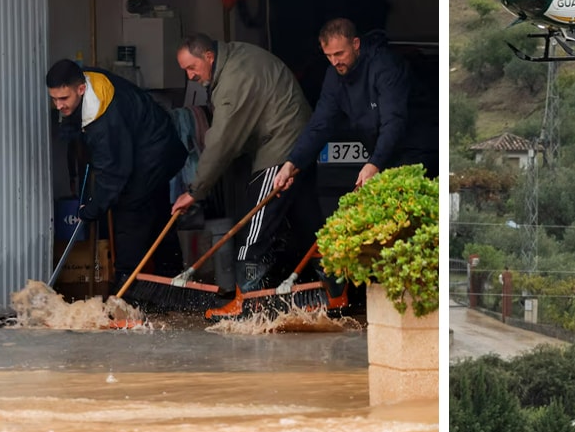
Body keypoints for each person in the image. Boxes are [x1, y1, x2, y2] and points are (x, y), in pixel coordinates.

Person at [171, 33, 321, 294]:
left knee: (254, 230)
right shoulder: (236, 57)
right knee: (307, 225)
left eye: (192, 68)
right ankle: (332, 288)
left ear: (209, 56)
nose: (190, 77)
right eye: (185, 70)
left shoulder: (233, 79)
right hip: (298, 144)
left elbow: (222, 141)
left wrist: (195, 191)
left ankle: (249, 298)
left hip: (281, 147)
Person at [45, 59, 186, 294]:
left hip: (153, 152)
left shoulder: (103, 118)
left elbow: (114, 175)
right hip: (146, 144)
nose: (58, 105)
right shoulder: (85, 81)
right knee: (158, 217)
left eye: (63, 99)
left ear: (80, 89)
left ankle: (127, 292)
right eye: (54, 99)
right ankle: (170, 283)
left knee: (129, 212)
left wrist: (92, 209)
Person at [272, 18, 438, 194]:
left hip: (416, 147)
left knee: (403, 207)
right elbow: (320, 124)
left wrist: (374, 163)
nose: (334, 62)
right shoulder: (334, 76)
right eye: (329, 56)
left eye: (339, 54)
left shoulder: (385, 66)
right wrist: (292, 163)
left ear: (356, 44)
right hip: (384, 152)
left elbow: (394, 120)